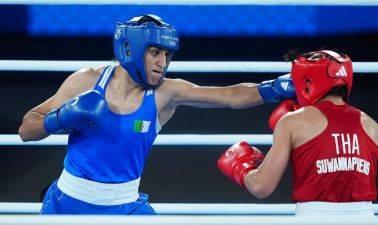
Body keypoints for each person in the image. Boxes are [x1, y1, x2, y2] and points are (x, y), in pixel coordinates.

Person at [18, 14, 295, 215]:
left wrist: (273, 89)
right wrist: (60, 118)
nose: (162, 63)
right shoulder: (86, 81)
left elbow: (229, 97)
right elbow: (26, 130)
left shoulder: (165, 93)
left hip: (125, 207)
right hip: (66, 203)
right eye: (154, 52)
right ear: (130, 49)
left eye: (166, 55)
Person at [218, 50, 378, 216]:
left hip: (313, 216)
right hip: (365, 216)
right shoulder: (371, 126)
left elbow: (261, 187)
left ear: (307, 83)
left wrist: (241, 167)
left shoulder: (293, 122)